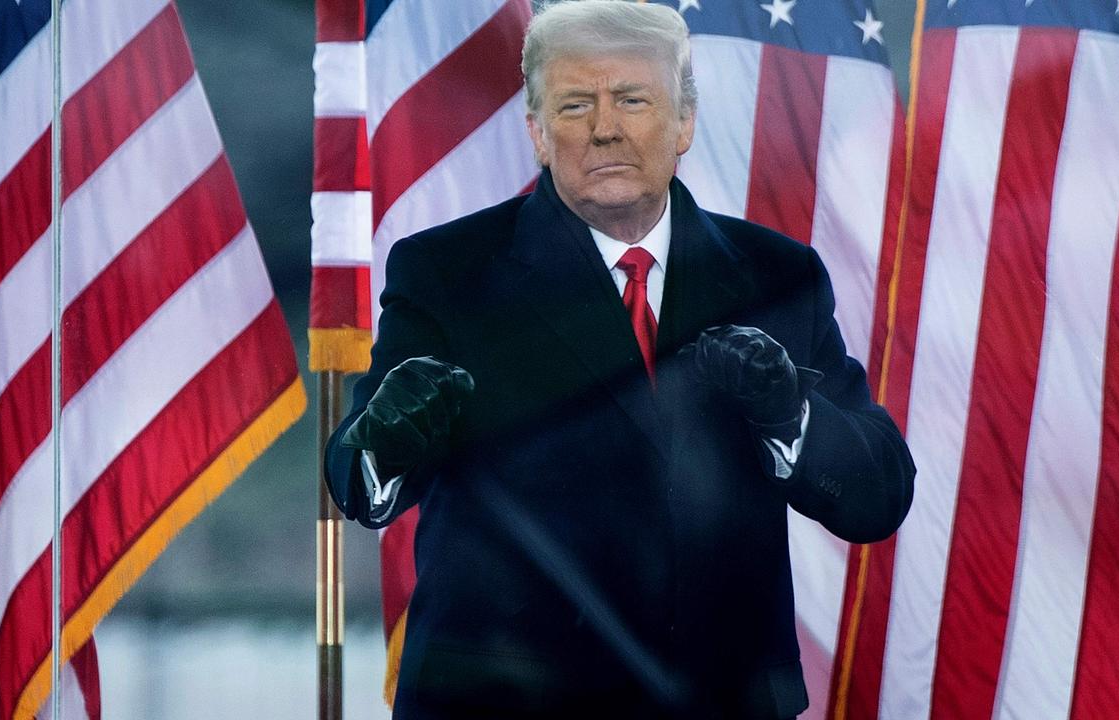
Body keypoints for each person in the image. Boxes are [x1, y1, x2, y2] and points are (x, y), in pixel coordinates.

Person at [325, 1, 915, 717]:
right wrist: (384, 437)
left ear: (684, 123)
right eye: (576, 104)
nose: (606, 127)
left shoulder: (777, 276)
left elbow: (879, 494)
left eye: (633, 99)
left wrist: (792, 413)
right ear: (538, 134)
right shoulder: (449, 272)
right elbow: (361, 483)